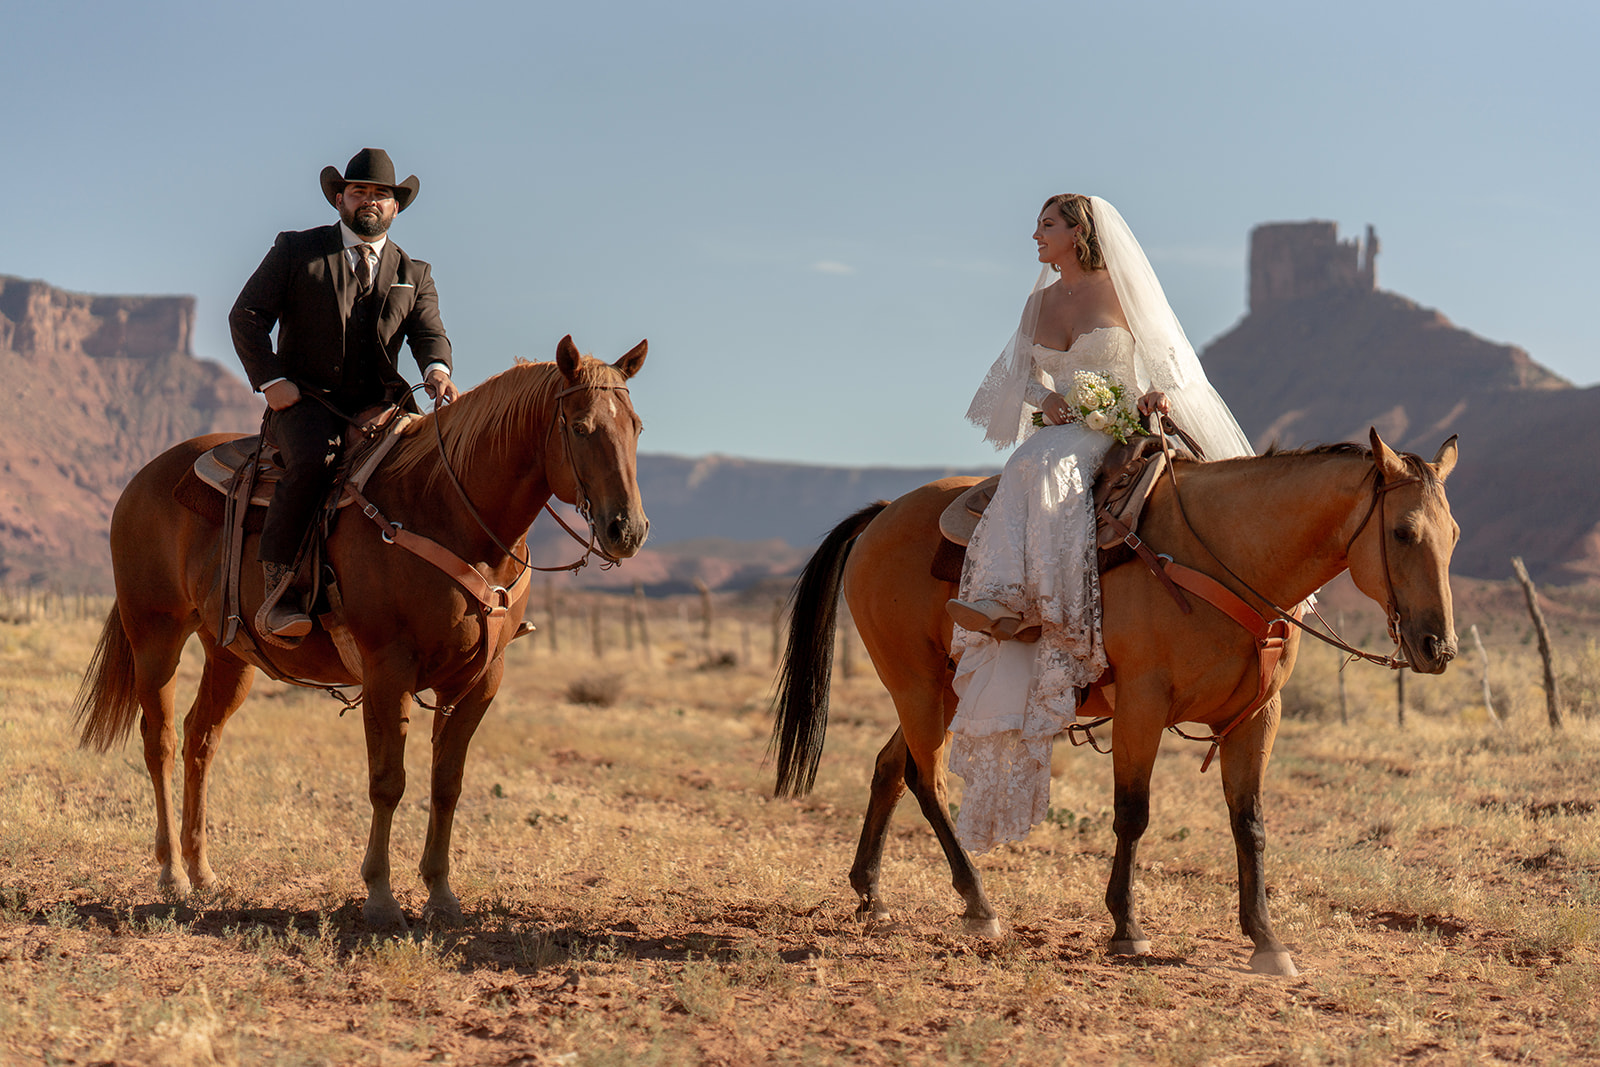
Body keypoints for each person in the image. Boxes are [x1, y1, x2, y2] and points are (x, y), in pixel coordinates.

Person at [946, 194, 1254, 853]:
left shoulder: (1121, 288)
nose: (1035, 234)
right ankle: (1015, 603)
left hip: (1118, 429)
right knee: (1031, 465)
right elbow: (1019, 380)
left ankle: (1067, 622)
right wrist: (1048, 399)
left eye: (1047, 226)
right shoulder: (1038, 305)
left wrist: (1153, 397)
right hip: (1066, 429)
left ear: (1077, 232)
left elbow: (1165, 362)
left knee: (1050, 474)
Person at [230, 147, 459, 643]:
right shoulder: (297, 250)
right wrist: (271, 381)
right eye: (359, 191)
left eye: (381, 195)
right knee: (314, 461)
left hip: (382, 404)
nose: (370, 201)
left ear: (397, 207)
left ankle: (458, 598)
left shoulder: (414, 273)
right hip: (304, 401)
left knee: (438, 466)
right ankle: (280, 588)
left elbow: (428, 335)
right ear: (340, 198)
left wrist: (437, 372)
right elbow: (246, 316)